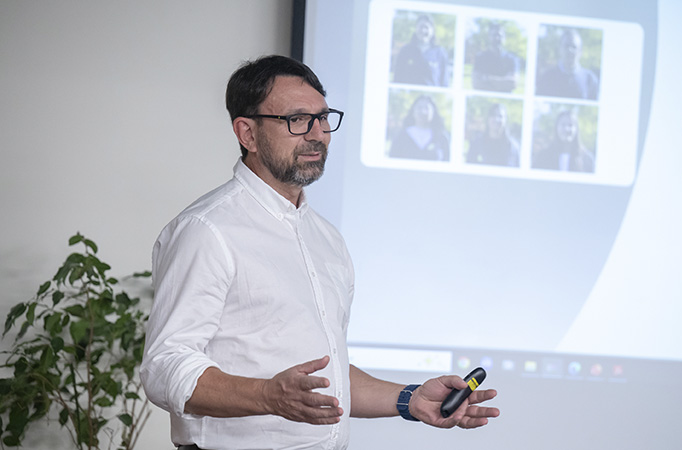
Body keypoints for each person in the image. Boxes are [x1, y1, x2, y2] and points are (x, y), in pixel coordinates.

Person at [140, 55, 499, 450]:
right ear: (248, 133)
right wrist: (267, 397)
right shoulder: (207, 230)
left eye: (323, 118)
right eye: (297, 120)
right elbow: (164, 366)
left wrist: (409, 399)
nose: (317, 134)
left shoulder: (326, 239)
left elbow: (326, 379)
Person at [536, 28, 600, 100]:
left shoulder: (590, 80)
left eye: (574, 47)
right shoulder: (547, 78)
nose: (570, 50)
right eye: (566, 46)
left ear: (580, 51)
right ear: (560, 49)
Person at [392, 14, 450, 87]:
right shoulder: (405, 51)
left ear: (432, 30)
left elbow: (445, 82)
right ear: (416, 29)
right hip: (409, 96)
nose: (423, 30)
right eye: (421, 27)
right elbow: (397, 78)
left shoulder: (440, 53)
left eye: (426, 27)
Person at [388, 94, 451, 161]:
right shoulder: (401, 137)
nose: (423, 112)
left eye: (427, 108)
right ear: (413, 111)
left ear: (433, 112)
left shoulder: (441, 137)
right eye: (419, 108)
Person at [471, 23, 520, 93]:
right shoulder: (480, 57)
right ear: (489, 37)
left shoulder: (512, 59)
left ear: (504, 38)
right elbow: (476, 84)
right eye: (494, 35)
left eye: (499, 35)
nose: (497, 38)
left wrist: (487, 79)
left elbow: (513, 84)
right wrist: (503, 82)